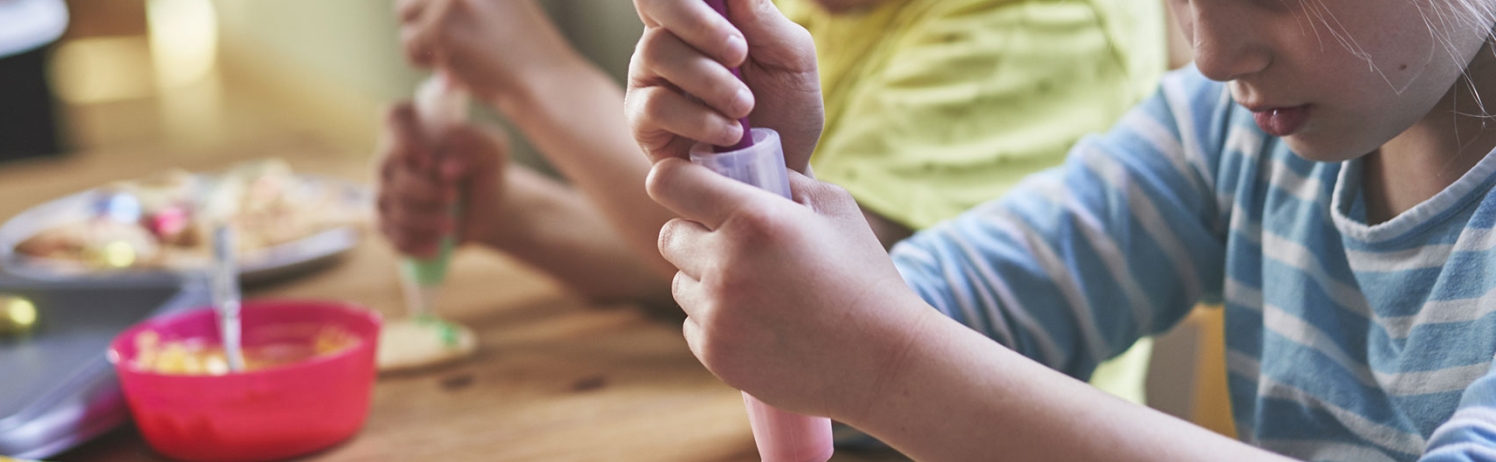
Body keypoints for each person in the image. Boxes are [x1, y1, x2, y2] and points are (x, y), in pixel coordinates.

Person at [629, 0, 1496, 459]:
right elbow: (907, 319)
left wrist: (887, 367)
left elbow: (883, 353)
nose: (1211, 54)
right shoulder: (1223, 132)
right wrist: (777, 191)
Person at [383, 0, 1168, 402]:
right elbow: (727, 278)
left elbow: (821, 303)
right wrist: (514, 213)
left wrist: (539, 79)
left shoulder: (1046, 21)